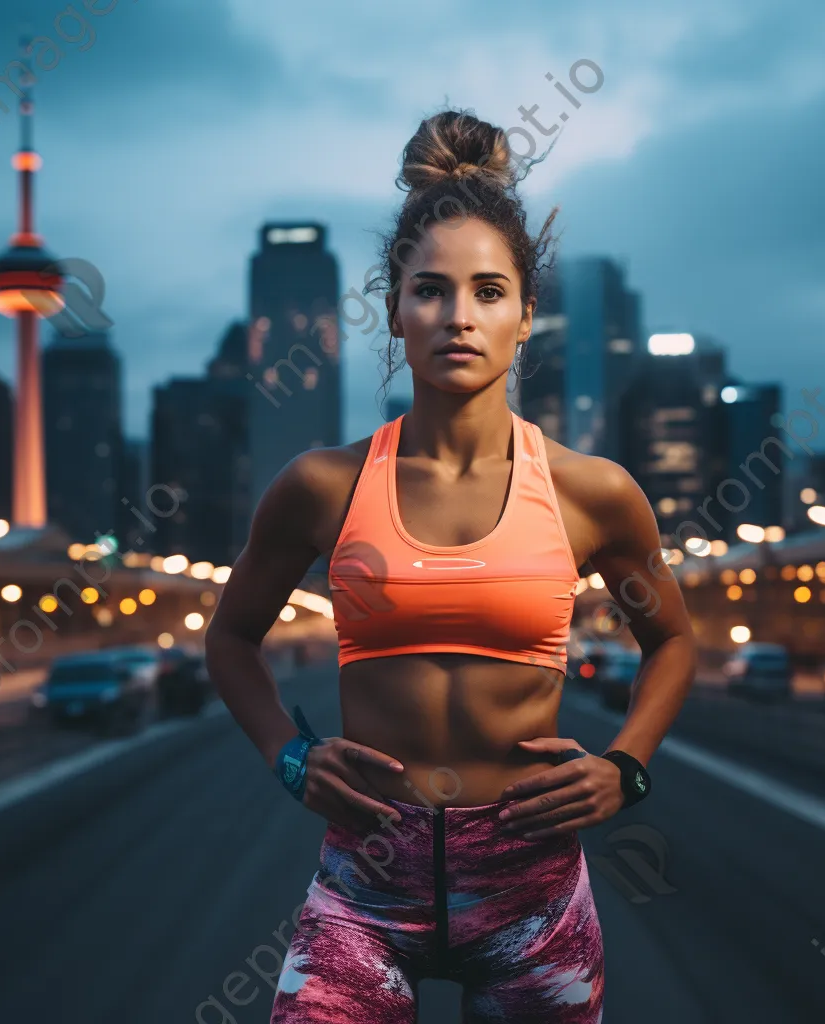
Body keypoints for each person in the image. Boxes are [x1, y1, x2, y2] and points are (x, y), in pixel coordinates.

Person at [205, 107, 698, 1024]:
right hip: (365, 885)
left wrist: (625, 767)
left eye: (488, 290)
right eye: (430, 290)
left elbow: (671, 641)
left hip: (532, 894)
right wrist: (288, 757)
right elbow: (231, 638)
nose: (458, 317)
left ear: (526, 314)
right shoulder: (323, 485)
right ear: (394, 308)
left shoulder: (595, 495)